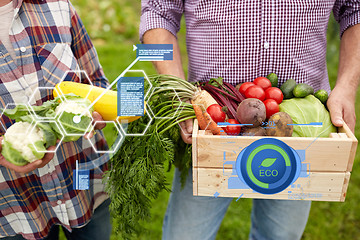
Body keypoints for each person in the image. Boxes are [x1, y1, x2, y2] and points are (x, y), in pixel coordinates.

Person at [140, 1, 360, 239]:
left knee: (281, 235)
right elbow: (157, 13)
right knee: (185, 235)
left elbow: (355, 9)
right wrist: (178, 89)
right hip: (211, 124)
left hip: (299, 129)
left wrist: (347, 87)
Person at [0, 0, 111, 239]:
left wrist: (96, 114)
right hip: (15, 203)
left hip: (83, 182)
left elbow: (96, 82)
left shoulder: (57, 5)